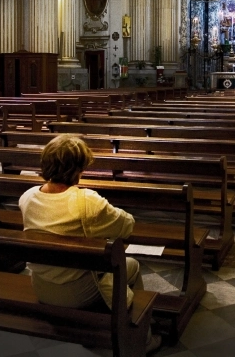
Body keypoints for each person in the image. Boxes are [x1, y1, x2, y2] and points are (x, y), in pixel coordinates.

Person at [19, 134, 161, 354]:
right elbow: (127, 226)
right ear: (77, 168)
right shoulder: (86, 201)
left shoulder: (27, 197)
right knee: (130, 265)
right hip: (76, 292)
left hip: (41, 285)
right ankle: (142, 337)